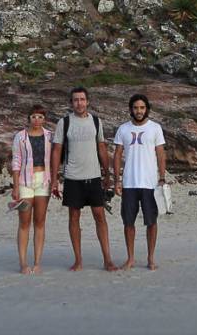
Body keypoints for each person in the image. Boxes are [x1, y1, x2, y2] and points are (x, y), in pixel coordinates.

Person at [50, 86, 117, 271]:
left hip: (94, 176)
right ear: (71, 103)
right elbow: (56, 151)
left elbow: (102, 147)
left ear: (88, 101)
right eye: (75, 100)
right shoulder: (64, 123)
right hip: (72, 178)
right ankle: (78, 260)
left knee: (100, 216)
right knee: (74, 217)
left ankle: (108, 260)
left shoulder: (96, 122)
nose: (79, 103)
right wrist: (54, 177)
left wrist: (107, 173)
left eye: (82, 99)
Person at [113, 93, 166, 270]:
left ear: (147, 109)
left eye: (142, 107)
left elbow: (160, 153)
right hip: (129, 183)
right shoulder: (123, 129)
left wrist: (162, 178)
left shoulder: (155, 128)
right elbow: (118, 155)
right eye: (136, 108)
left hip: (150, 183)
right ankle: (130, 258)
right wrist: (117, 180)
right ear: (131, 109)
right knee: (128, 222)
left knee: (151, 222)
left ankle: (151, 258)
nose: (139, 111)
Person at [11, 104, 53, 274]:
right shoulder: (20, 136)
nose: (37, 120)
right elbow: (16, 160)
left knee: (40, 221)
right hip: (24, 182)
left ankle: (37, 262)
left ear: (44, 119)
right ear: (29, 118)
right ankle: (23, 263)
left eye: (40, 117)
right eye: (34, 116)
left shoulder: (50, 136)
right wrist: (15, 186)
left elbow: (55, 158)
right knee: (24, 222)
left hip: (44, 182)